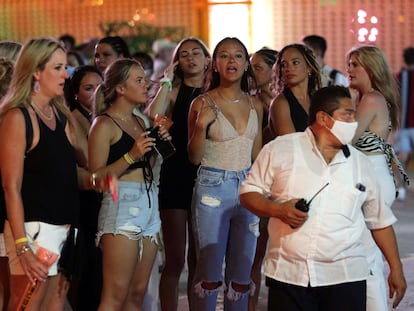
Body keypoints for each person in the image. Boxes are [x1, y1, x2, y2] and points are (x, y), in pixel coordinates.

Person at [240, 85, 407, 311]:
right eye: (347, 114)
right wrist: (277, 210)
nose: (354, 121)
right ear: (324, 118)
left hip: (346, 276)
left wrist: (396, 268)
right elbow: (248, 193)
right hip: (289, 275)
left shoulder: (360, 163)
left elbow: (380, 222)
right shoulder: (280, 149)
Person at [0, 37, 115, 311]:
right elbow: (10, 186)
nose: (66, 74)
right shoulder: (18, 117)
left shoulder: (59, 114)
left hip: (66, 227)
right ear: (36, 72)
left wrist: (94, 180)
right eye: (58, 68)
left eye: (65, 67)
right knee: (27, 305)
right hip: (34, 230)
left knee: (55, 304)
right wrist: (22, 246)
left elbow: (65, 172)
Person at [88, 58, 170, 310]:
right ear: (120, 89)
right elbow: (95, 179)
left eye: (145, 79)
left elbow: (148, 165)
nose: (146, 84)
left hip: (149, 202)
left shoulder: (140, 121)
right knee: (115, 296)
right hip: (121, 205)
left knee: (137, 294)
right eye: (139, 80)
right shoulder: (103, 124)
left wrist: (160, 144)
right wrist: (131, 155)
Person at [188, 36, 263, 311]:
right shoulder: (202, 104)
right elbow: (194, 157)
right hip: (212, 186)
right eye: (224, 55)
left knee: (242, 276)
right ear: (215, 64)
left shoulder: (256, 104)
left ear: (246, 64)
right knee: (209, 275)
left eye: (238, 56)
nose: (232, 61)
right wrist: (199, 127)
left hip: (248, 187)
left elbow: (257, 156)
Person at [146, 36, 211, 311]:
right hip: (175, 175)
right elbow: (153, 115)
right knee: (175, 259)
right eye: (183, 55)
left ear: (208, 60)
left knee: (200, 258)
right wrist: (167, 80)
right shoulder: (174, 91)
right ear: (176, 62)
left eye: (196, 53)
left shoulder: (214, 92)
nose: (190, 58)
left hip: (207, 175)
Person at [347, 45, 409, 311]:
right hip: (374, 174)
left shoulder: (371, 99)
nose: (348, 70)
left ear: (371, 68)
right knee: (366, 253)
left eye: (355, 65)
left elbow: (345, 140)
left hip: (370, 176)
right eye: (349, 64)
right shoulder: (373, 98)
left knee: (367, 255)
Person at [64, 64, 104, 310]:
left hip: (104, 199)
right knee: (88, 270)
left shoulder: (104, 117)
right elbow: (87, 163)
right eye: (89, 88)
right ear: (76, 93)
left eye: (100, 87)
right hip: (84, 203)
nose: (96, 93)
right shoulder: (71, 118)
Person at [248, 47, 277, 311]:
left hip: (285, 182)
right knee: (253, 256)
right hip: (259, 181)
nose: (251, 71)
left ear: (273, 69)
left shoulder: (289, 101)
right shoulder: (253, 103)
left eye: (258, 66)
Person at [269, 43, 321, 137]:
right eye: (284, 65)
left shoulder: (316, 99)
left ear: (309, 68)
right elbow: (290, 144)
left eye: (295, 63)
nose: (288, 68)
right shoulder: (281, 103)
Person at [394, 46, 414, 200]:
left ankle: (400, 187)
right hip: (407, 123)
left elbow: (395, 100)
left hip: (404, 123)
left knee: (402, 155)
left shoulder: (400, 76)